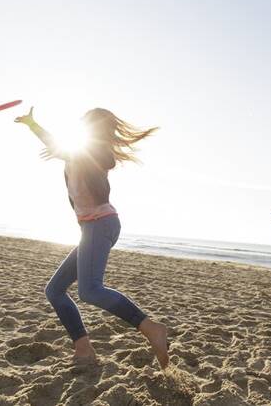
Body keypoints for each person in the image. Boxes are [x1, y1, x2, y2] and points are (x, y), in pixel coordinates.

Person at [15, 107, 169, 368]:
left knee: (90, 290)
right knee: (54, 290)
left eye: (85, 121)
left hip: (101, 224)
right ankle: (83, 349)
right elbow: (62, 147)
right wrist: (33, 124)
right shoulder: (76, 153)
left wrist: (45, 134)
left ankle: (151, 328)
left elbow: (98, 157)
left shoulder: (97, 152)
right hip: (92, 227)